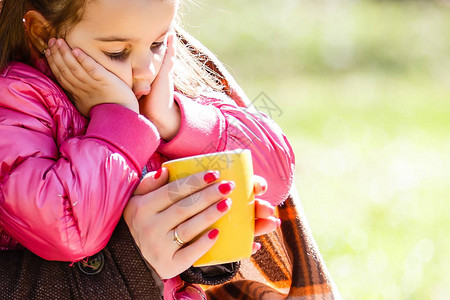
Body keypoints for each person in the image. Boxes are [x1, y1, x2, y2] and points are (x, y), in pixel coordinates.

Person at [0, 0, 297, 298]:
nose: (146, 70)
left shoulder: (163, 85)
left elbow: (276, 177)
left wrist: (175, 120)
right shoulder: (16, 102)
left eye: (157, 43)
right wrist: (119, 121)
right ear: (41, 32)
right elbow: (69, 233)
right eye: (116, 52)